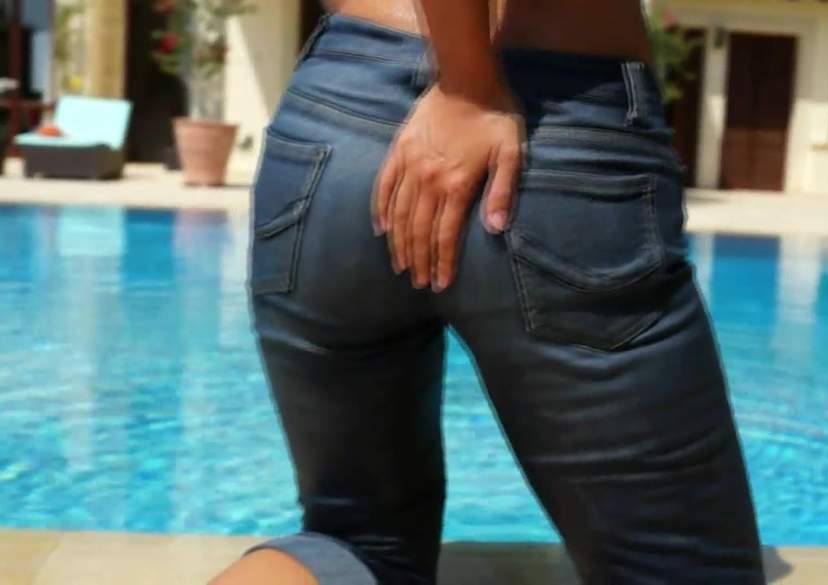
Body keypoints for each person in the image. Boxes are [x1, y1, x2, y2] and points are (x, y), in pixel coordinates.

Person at [211, 0, 766, 583]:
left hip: (334, 127)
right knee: (675, 568)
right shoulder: (479, 87)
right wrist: (467, 86)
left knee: (354, 545)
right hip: (548, 123)